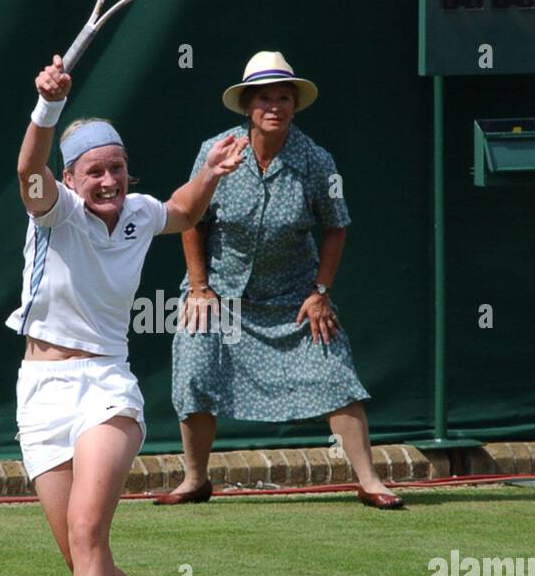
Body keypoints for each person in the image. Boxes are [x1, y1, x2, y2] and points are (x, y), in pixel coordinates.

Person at [9, 55, 248, 576]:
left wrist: (208, 177)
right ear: (74, 178)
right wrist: (46, 108)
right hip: (40, 392)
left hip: (107, 387)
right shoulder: (54, 213)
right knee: (84, 559)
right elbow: (30, 173)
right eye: (95, 170)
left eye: (117, 167)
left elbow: (180, 210)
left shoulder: (140, 212)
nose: (109, 179)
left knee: (90, 531)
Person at [157, 51, 403, 510]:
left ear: (295, 105)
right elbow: (191, 218)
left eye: (284, 98)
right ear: (248, 106)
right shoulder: (218, 151)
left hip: (295, 298)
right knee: (193, 368)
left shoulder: (318, 160)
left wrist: (320, 293)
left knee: (336, 373)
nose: (275, 106)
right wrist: (198, 288)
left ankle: (370, 480)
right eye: (265, 98)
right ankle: (195, 480)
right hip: (219, 293)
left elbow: (336, 226)